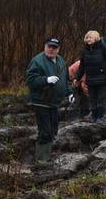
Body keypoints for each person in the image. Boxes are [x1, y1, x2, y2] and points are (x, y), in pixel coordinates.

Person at [25, 37, 72, 165]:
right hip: (41, 101)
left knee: (53, 130)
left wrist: (70, 93)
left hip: (54, 102)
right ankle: (41, 160)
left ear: (58, 49)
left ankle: (47, 156)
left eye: (54, 47)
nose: (51, 49)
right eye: (49, 46)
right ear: (45, 46)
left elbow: (66, 80)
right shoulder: (37, 61)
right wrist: (46, 80)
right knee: (45, 131)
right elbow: (30, 80)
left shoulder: (61, 61)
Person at [74, 30, 106, 123]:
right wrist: (77, 78)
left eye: (91, 37)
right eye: (87, 37)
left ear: (96, 38)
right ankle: (94, 117)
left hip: (103, 78)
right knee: (92, 99)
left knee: (101, 98)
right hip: (90, 78)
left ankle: (100, 117)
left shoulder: (103, 48)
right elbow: (82, 66)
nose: (88, 39)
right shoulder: (85, 51)